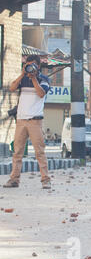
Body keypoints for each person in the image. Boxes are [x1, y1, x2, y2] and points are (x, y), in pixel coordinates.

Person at [4, 55, 51, 189]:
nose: (30, 68)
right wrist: (22, 74)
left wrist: (34, 78)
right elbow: (12, 88)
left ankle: (45, 180)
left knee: (39, 152)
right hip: (21, 120)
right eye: (28, 65)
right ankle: (14, 179)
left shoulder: (44, 79)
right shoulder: (23, 79)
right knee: (17, 151)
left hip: (35, 120)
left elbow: (41, 93)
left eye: (33, 66)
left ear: (38, 66)